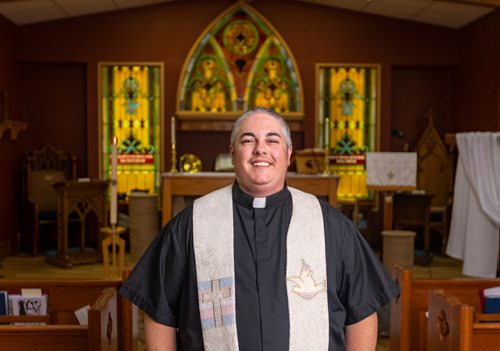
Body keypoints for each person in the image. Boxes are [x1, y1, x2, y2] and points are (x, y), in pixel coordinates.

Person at [120, 107, 400, 350]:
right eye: (248, 140)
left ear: (288, 153)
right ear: (232, 153)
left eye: (272, 140)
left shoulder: (330, 225)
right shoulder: (192, 223)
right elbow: (159, 313)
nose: (260, 149)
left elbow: (362, 312)